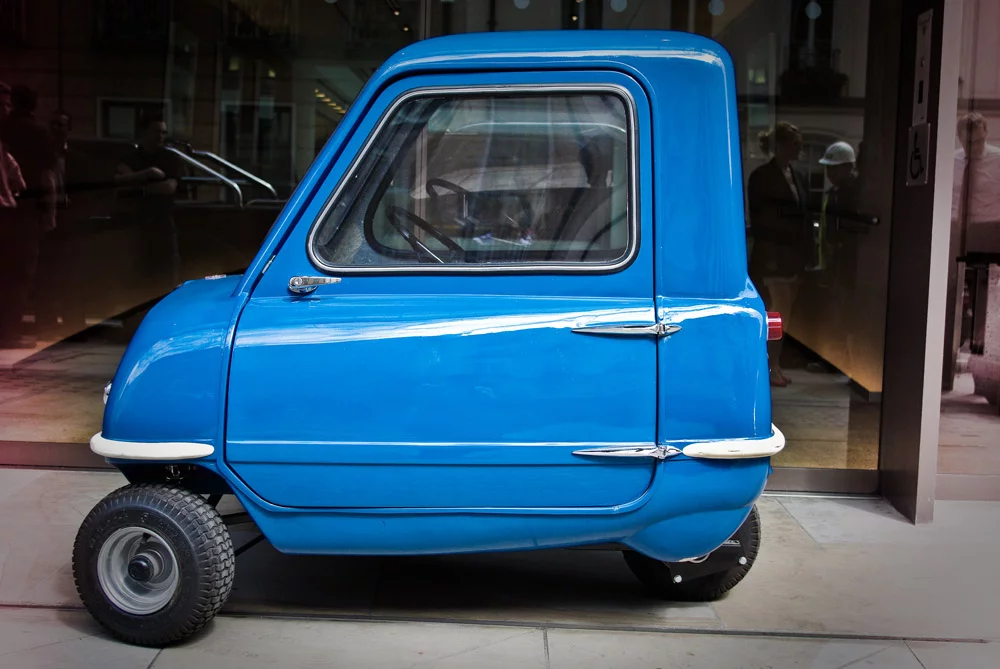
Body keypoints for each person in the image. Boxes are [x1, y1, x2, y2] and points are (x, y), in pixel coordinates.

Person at [747, 121, 809, 387]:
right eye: (794, 143)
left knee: (785, 316)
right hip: (773, 259)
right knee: (774, 315)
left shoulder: (799, 177)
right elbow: (763, 220)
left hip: (792, 258)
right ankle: (769, 366)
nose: (800, 148)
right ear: (781, 145)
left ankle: (776, 364)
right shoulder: (762, 177)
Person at [0, 84, 57, 348]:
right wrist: (50, 212)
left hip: (16, 211)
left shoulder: (7, 133)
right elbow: (47, 175)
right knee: (18, 274)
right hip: (20, 214)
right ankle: (8, 334)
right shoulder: (36, 133)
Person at [114, 113, 185, 297]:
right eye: (156, 131)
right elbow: (119, 181)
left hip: (161, 222)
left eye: (163, 132)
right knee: (136, 275)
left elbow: (169, 187)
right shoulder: (130, 156)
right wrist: (148, 173)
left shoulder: (170, 158)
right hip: (135, 222)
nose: (161, 136)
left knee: (166, 273)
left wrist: (139, 186)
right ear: (144, 132)